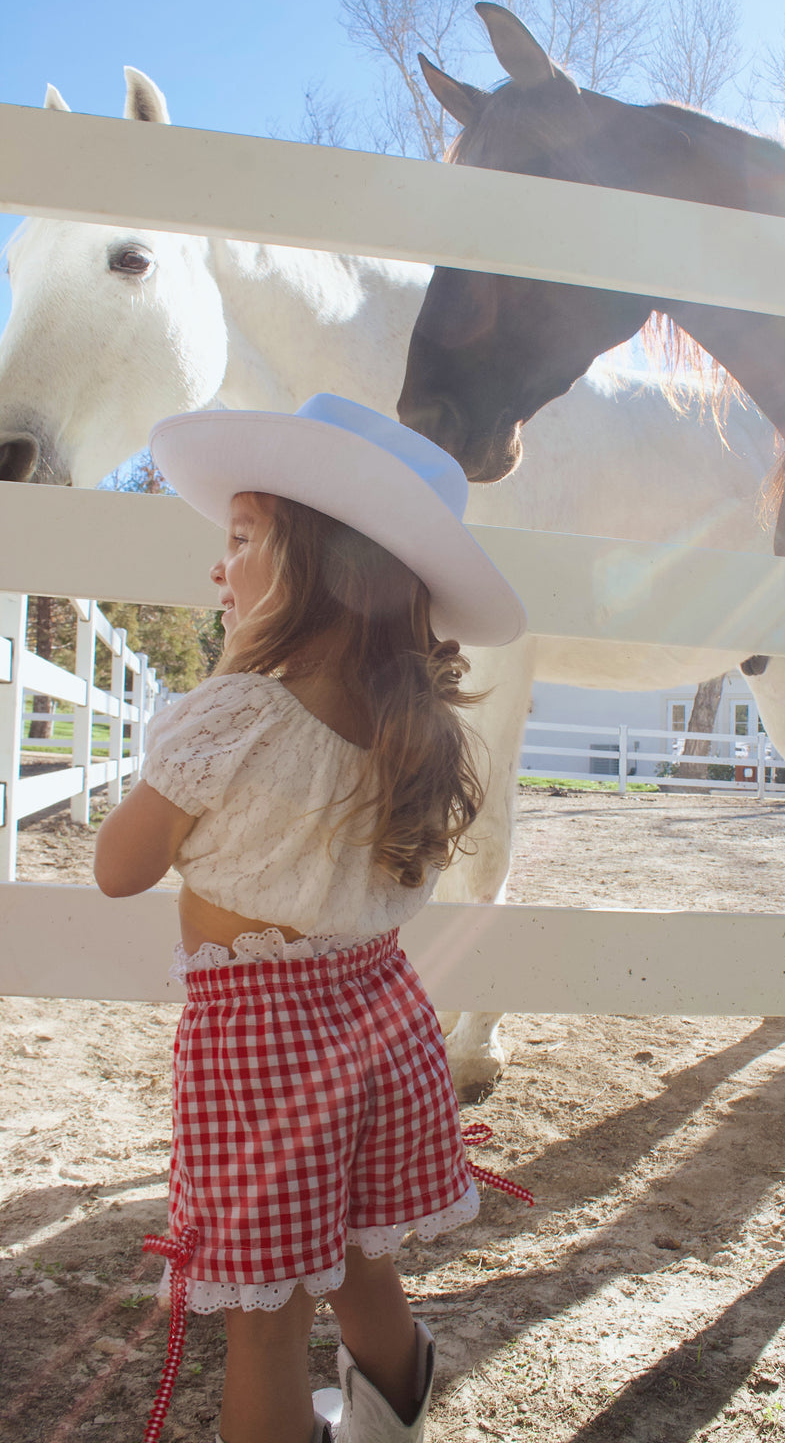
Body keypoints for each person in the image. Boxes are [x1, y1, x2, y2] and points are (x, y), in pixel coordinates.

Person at [94, 393, 527, 1443]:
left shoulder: (234, 714)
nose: (219, 565)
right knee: (360, 1256)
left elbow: (118, 867)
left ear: (315, 568)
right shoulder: (415, 723)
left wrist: (216, 696)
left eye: (242, 540)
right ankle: (397, 1403)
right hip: (381, 1016)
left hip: (259, 1047)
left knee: (263, 1317)